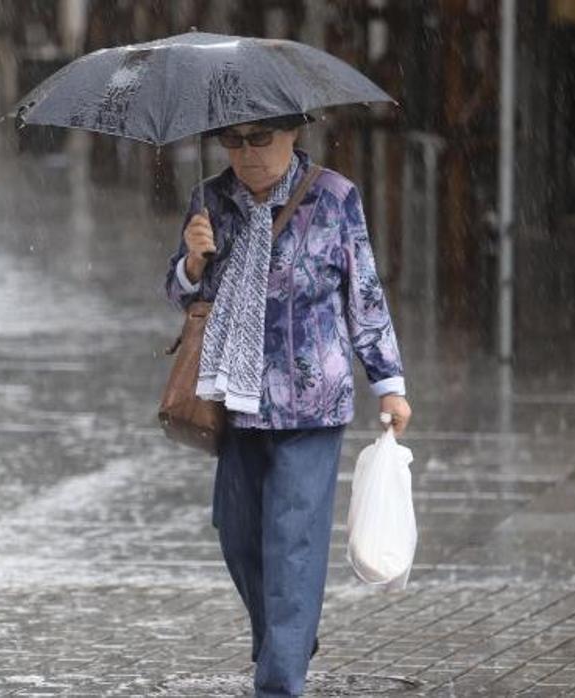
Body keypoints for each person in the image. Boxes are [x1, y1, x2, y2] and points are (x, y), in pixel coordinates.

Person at [164, 115, 412, 697]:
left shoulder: (335, 198)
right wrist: (192, 262)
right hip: (234, 398)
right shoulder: (211, 199)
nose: (246, 155)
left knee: (292, 539)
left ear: (293, 133)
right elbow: (177, 292)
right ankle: (289, 637)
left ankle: (280, 680)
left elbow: (364, 295)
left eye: (260, 139)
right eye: (233, 141)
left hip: (312, 403)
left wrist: (389, 383)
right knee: (238, 531)